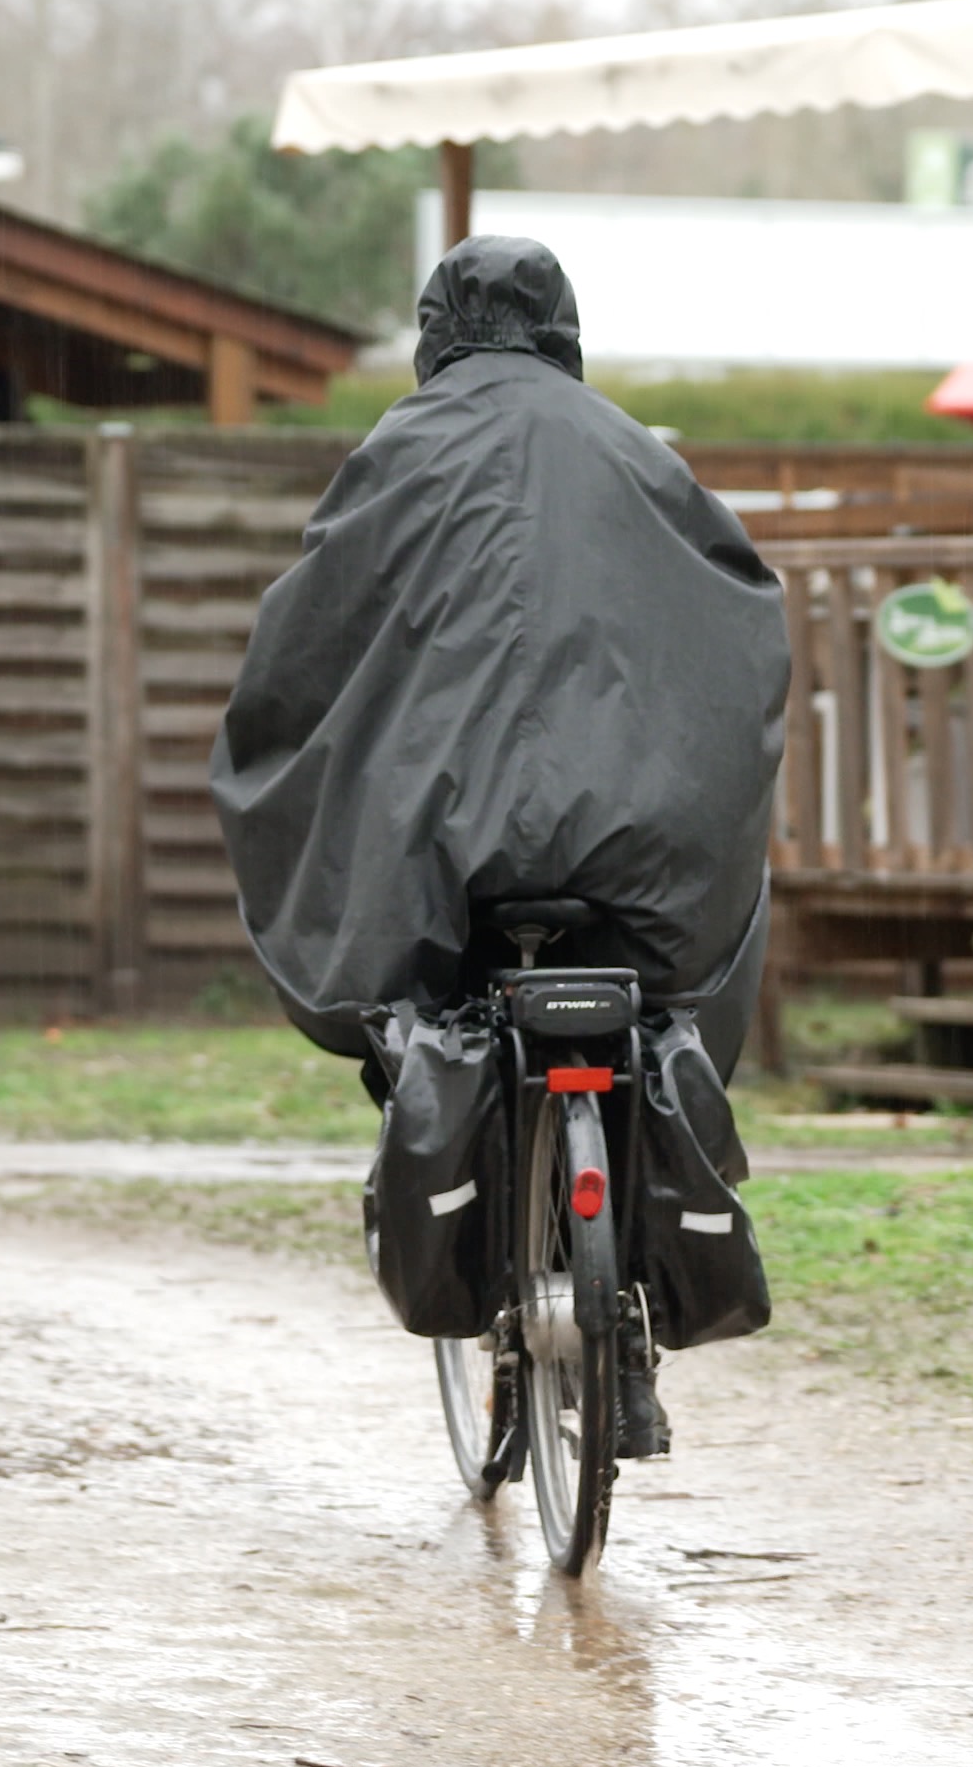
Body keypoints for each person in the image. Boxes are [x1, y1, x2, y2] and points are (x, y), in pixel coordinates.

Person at [211, 235, 789, 1448]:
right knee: (651, 1010)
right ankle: (629, 1323)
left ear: (435, 333)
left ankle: (469, 1213)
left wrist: (291, 742)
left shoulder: (398, 453)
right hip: (638, 828)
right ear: (565, 329)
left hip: (451, 834)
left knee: (421, 986)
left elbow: (308, 638)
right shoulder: (637, 454)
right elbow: (737, 605)